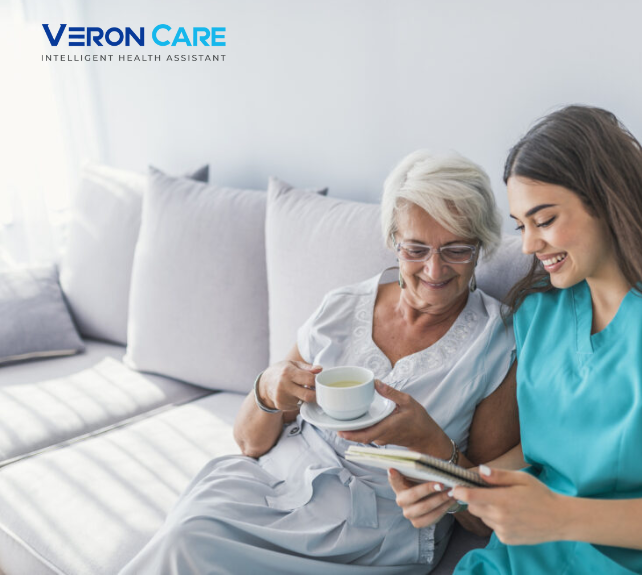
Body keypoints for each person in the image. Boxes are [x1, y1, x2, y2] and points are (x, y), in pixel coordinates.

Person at [391, 106, 642, 574]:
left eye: (544, 220)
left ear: (608, 201)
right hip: (519, 562)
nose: (528, 246)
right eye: (521, 225)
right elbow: (543, 456)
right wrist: (462, 489)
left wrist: (561, 517)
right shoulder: (539, 314)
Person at [120, 150, 520, 575]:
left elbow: (481, 519)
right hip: (275, 486)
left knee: (192, 548)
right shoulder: (342, 307)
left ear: (480, 248)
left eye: (456, 249)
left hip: (370, 531)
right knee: (189, 531)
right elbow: (249, 443)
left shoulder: (495, 343)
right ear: (393, 241)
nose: (434, 269)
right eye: (416, 249)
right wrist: (269, 386)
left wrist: (430, 443)